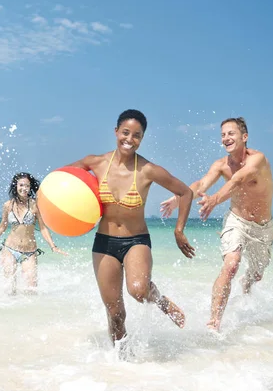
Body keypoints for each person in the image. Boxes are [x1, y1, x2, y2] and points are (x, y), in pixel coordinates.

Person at [68, 109, 194, 345]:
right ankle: (121, 365)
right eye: (125, 132)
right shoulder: (95, 162)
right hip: (104, 243)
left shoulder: (147, 170)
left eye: (137, 135)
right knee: (116, 315)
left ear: (142, 139)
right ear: (116, 132)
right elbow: (62, 180)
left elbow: (185, 192)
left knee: (138, 290)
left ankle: (160, 301)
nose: (130, 139)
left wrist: (179, 231)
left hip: (136, 241)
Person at [160, 117, 273, 332]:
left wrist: (214, 200)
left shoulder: (257, 159)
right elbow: (201, 184)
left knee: (256, 275)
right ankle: (214, 321)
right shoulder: (221, 165)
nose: (226, 138)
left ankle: (247, 285)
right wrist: (180, 198)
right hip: (237, 221)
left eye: (231, 133)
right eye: (223, 135)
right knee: (231, 264)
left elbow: (238, 180)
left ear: (244, 137)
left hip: (263, 227)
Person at [0, 172, 67, 294]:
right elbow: (2, 227)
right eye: (21, 185)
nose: (24, 188)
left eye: (27, 186)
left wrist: (53, 246)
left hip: (29, 252)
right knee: (9, 289)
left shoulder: (35, 205)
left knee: (31, 290)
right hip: (10, 249)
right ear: (16, 186)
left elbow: (43, 228)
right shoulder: (8, 205)